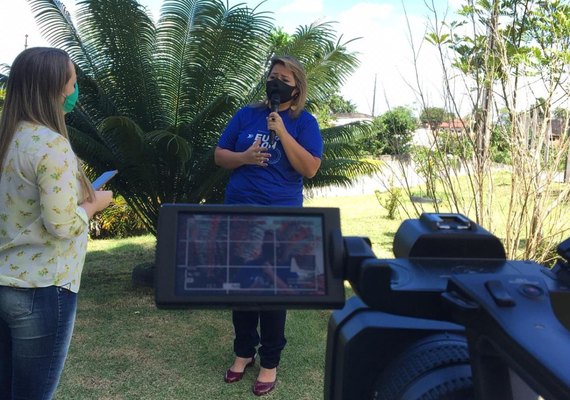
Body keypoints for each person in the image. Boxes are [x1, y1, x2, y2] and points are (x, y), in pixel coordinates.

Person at [0, 47, 114, 399]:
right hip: (43, 288)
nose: (75, 91)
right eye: (73, 83)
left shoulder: (8, 138)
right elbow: (61, 225)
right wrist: (93, 206)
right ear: (55, 89)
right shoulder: (53, 145)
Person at [215, 55, 323, 396]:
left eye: (283, 78)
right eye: (272, 75)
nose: (275, 82)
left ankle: (270, 361)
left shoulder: (304, 123)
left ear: (297, 88)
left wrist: (282, 133)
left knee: (274, 292)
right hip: (240, 214)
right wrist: (244, 157)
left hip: (282, 220)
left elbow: (310, 168)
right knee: (242, 287)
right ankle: (243, 351)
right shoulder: (247, 115)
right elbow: (220, 155)